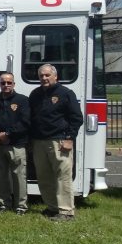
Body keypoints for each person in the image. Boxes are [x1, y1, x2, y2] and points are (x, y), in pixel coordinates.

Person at [29, 63, 83, 221]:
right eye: (41, 76)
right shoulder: (35, 94)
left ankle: (66, 211)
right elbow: (31, 118)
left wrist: (69, 138)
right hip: (39, 141)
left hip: (59, 141)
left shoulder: (65, 93)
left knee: (62, 176)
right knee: (44, 176)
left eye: (47, 75)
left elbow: (76, 118)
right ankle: (52, 208)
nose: (44, 78)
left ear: (55, 76)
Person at [0, 72, 31, 215]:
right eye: (3, 83)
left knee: (19, 176)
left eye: (9, 82)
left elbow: (25, 121)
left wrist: (8, 134)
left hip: (16, 144)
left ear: (14, 84)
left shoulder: (23, 100)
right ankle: (3, 204)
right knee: (0, 176)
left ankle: (21, 206)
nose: (6, 85)